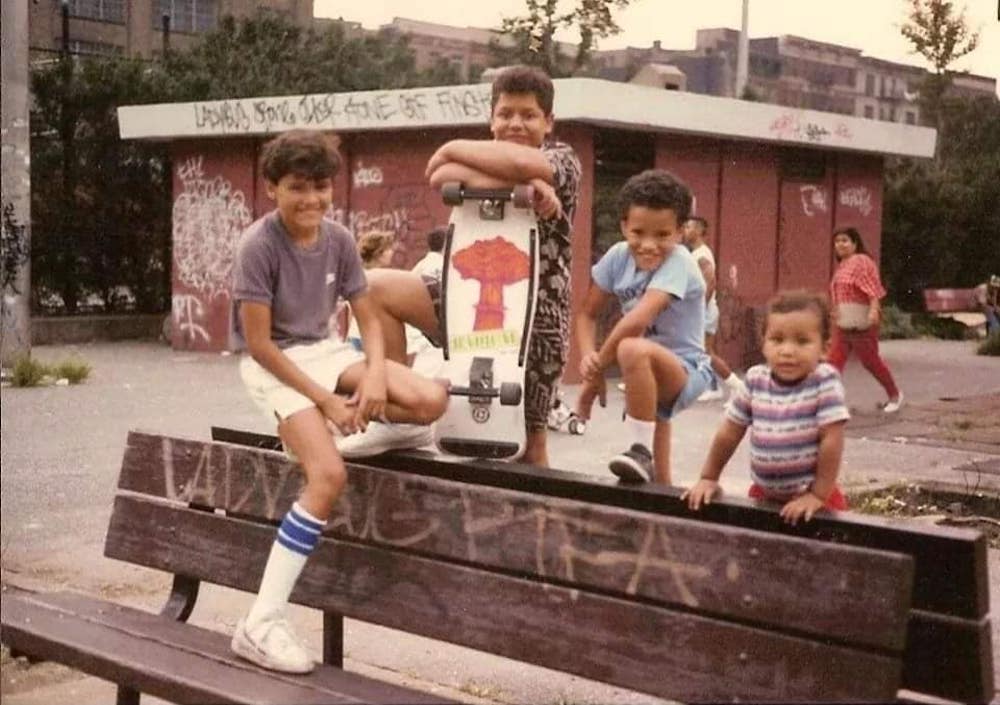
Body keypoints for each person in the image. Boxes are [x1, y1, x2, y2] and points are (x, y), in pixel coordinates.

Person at [229, 130, 447, 673]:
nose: (311, 199)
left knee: (428, 400)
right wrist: (326, 401)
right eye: (297, 188)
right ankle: (261, 622)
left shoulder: (339, 239)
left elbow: (368, 317)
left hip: (325, 351)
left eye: (321, 187)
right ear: (273, 189)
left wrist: (373, 375)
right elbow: (259, 345)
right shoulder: (258, 246)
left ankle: (347, 433)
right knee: (327, 478)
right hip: (276, 366)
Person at [358, 65, 581, 467]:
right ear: (491, 119)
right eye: (505, 113)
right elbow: (439, 172)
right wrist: (519, 182)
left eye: (528, 115)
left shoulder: (565, 160)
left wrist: (453, 149)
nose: (515, 123)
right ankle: (398, 413)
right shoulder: (486, 151)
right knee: (374, 287)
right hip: (467, 305)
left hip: (532, 320)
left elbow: (511, 163)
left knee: (527, 446)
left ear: (549, 122)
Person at [574, 169, 713, 484]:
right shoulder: (616, 258)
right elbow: (586, 314)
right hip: (647, 371)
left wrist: (593, 380)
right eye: (638, 232)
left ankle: (639, 450)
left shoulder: (680, 262)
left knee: (631, 347)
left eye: (662, 235)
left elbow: (637, 320)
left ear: (680, 232)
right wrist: (587, 357)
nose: (648, 245)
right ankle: (660, 495)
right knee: (656, 445)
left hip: (687, 369)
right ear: (624, 226)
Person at [683, 290, 850, 525]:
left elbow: (832, 440)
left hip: (814, 498)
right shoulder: (755, 380)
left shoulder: (824, 382)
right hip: (764, 495)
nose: (787, 350)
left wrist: (817, 495)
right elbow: (730, 432)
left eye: (802, 341)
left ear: (824, 348)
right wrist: (709, 477)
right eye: (777, 339)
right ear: (764, 344)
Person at [827, 226, 903, 413]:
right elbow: (840, 293)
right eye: (837, 241)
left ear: (855, 243)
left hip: (862, 321)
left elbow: (872, 289)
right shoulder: (843, 265)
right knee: (833, 363)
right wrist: (835, 311)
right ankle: (829, 402)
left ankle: (894, 395)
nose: (840, 245)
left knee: (871, 362)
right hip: (844, 322)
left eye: (845, 240)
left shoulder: (861, 261)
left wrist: (873, 310)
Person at [681, 216, 745, 401]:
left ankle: (737, 385)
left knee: (706, 352)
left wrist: (698, 309)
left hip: (703, 312)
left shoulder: (701, 255)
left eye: (689, 227)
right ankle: (713, 386)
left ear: (700, 231)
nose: (685, 231)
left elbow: (710, 282)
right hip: (702, 311)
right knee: (702, 352)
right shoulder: (696, 253)